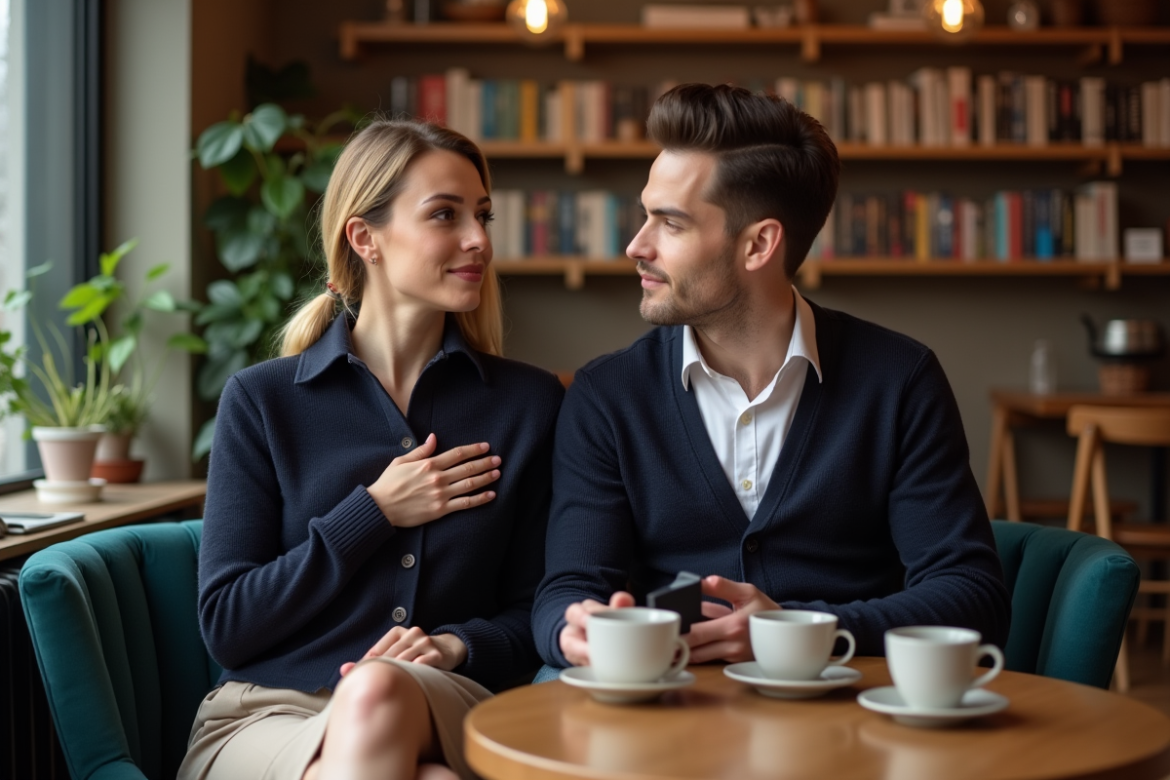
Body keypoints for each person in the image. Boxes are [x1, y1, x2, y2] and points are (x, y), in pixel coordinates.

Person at [532, 84, 1010, 674]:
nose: (637, 245)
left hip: (849, 709)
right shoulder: (608, 396)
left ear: (759, 244)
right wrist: (571, 631)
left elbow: (972, 598)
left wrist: (791, 631)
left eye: (671, 224)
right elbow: (568, 588)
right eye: (645, 215)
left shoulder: (900, 381)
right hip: (669, 705)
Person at [179, 119, 563, 780]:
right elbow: (228, 625)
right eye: (444, 214)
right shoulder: (261, 402)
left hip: (442, 702)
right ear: (365, 238)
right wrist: (373, 512)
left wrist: (456, 645)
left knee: (379, 686)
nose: (478, 239)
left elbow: (542, 608)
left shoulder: (529, 405)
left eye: (482, 215)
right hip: (267, 715)